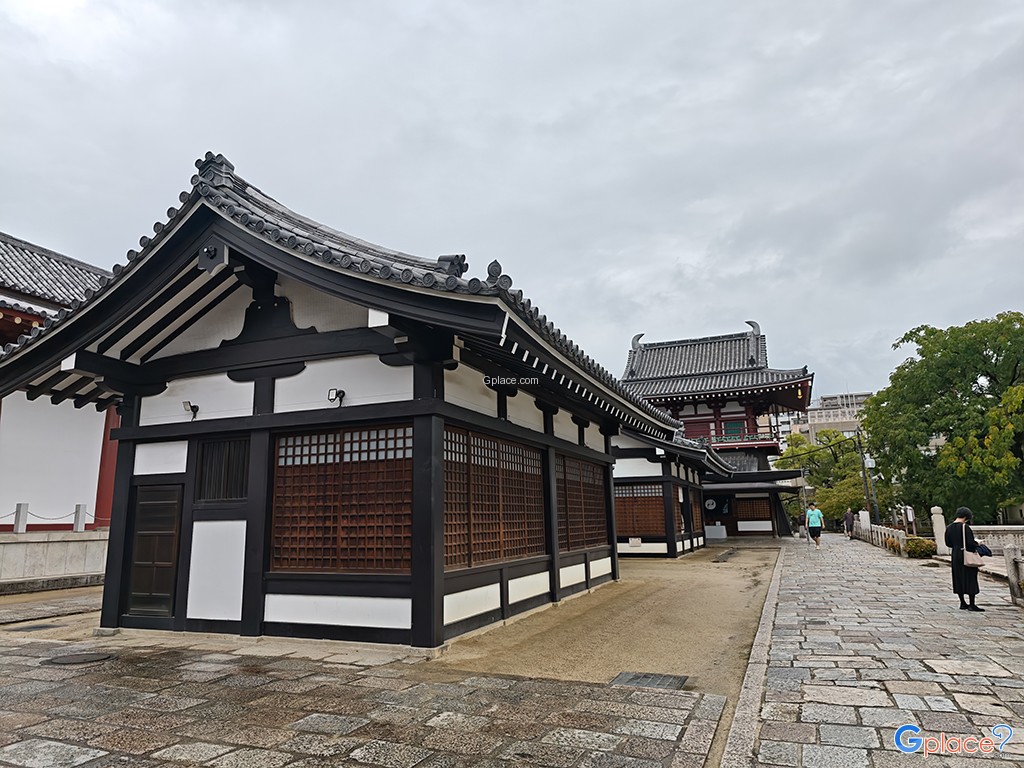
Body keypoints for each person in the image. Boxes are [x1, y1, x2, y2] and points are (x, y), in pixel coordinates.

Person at [944, 507, 983, 611]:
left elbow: (948, 543)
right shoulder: (965, 527)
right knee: (970, 577)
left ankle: (962, 602)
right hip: (966, 554)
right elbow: (970, 543)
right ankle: (972, 604)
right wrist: (977, 544)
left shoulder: (949, 527)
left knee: (958, 577)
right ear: (966, 516)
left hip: (956, 554)